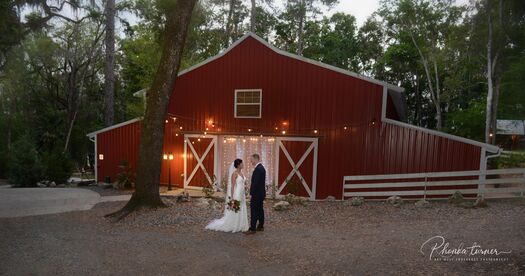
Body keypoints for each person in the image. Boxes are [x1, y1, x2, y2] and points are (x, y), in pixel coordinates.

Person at [205, 158, 249, 233]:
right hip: (237, 193)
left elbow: (243, 183)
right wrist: (232, 197)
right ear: (238, 165)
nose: (243, 164)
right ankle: (235, 224)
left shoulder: (242, 173)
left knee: (242, 207)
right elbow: (232, 186)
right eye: (242, 163)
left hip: (242, 194)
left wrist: (246, 186)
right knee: (236, 209)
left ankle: (242, 224)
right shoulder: (234, 174)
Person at [245, 153, 266, 235]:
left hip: (257, 194)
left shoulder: (258, 169)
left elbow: (255, 183)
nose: (251, 161)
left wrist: (251, 194)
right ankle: (261, 226)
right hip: (261, 193)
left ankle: (252, 228)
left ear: (256, 159)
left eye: (251, 159)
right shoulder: (262, 168)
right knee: (260, 210)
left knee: (254, 210)